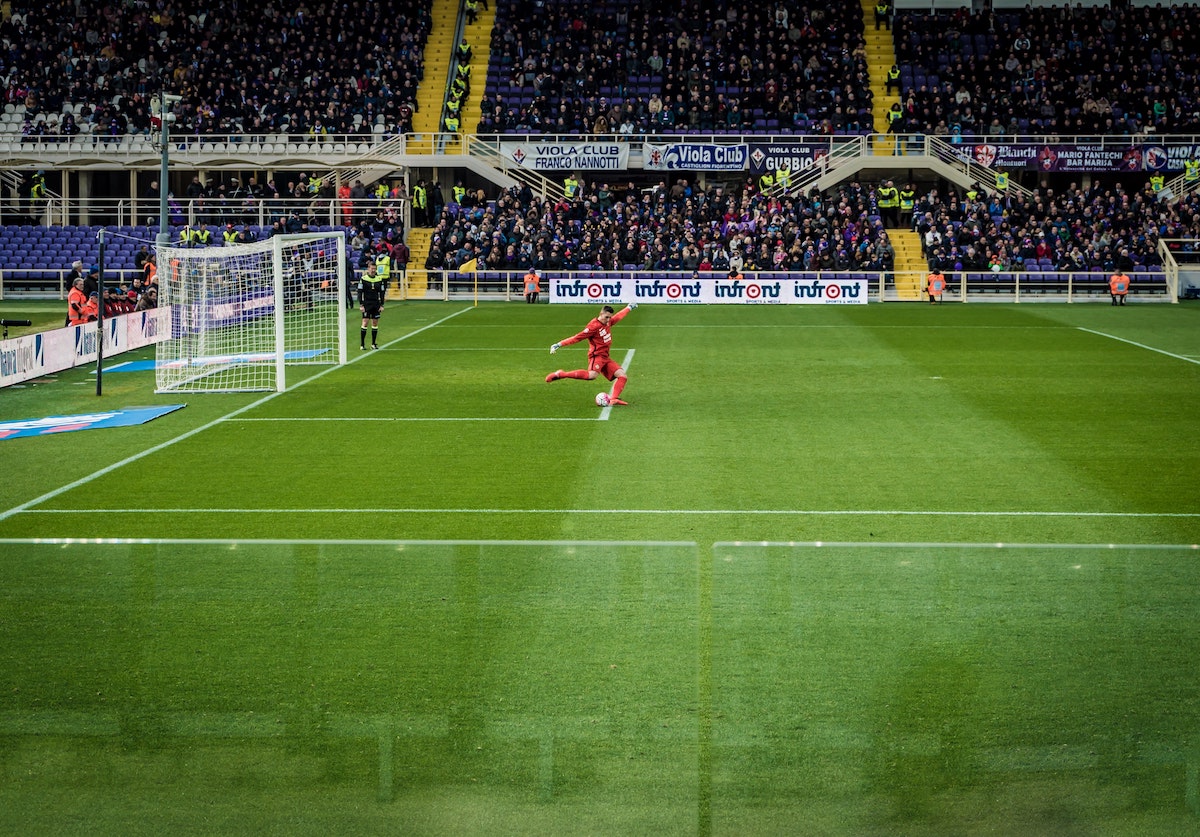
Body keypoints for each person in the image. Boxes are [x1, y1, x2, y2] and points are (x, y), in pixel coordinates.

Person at [545, 302, 638, 406]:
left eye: (609, 318)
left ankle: (614, 399)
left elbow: (617, 317)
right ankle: (562, 374)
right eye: (606, 317)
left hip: (605, 357)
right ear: (601, 314)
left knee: (622, 376)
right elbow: (577, 338)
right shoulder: (593, 327)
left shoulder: (607, 322)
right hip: (596, 356)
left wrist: (629, 308)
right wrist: (559, 344)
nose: (608, 320)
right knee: (592, 375)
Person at [358, 260, 386, 349]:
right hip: (367, 304)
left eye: (374, 269)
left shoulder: (379, 279)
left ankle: (373, 344)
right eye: (372, 268)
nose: (373, 270)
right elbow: (360, 292)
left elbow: (382, 293)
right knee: (365, 322)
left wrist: (382, 305)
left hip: (376, 304)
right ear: (368, 269)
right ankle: (362, 344)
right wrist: (361, 304)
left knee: (375, 323)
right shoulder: (363, 279)